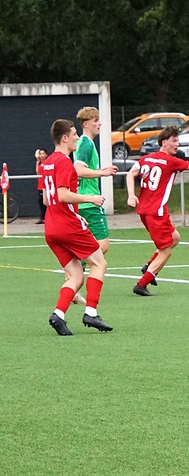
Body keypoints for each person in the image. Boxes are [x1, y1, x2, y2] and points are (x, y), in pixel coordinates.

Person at [126, 125, 189, 296]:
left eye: (178, 141)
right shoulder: (171, 162)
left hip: (144, 211)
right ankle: (141, 284)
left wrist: (131, 195)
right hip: (157, 212)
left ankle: (149, 266)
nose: (177, 144)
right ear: (164, 143)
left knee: (175, 237)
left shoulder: (146, 159)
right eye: (174, 141)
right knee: (165, 251)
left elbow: (130, 174)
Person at [40, 120, 113, 336]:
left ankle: (58, 315)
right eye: (73, 134)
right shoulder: (64, 162)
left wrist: (74, 213)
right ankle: (91, 312)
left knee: (75, 275)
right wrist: (90, 198)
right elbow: (62, 195)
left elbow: (47, 199)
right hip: (67, 225)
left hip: (51, 227)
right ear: (64, 138)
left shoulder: (48, 163)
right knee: (99, 263)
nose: (77, 138)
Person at [73, 107, 118, 254]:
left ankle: (77, 265)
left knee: (88, 245)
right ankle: (74, 264)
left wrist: (102, 170)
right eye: (96, 120)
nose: (100, 123)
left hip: (82, 202)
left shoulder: (82, 143)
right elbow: (78, 170)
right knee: (102, 245)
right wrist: (103, 173)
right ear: (86, 124)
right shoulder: (86, 144)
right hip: (89, 203)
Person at [35, 149, 48, 224]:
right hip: (40, 186)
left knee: (44, 202)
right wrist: (37, 162)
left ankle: (45, 218)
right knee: (40, 202)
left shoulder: (47, 163)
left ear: (46, 155)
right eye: (40, 154)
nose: (42, 155)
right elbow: (38, 172)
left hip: (45, 186)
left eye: (43, 153)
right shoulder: (39, 163)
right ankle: (42, 217)